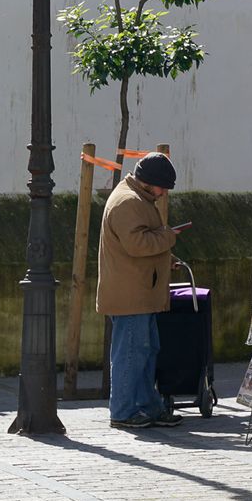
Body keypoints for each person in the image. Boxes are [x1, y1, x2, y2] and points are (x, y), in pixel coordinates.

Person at [97, 151, 188, 429]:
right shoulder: (127, 202)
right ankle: (123, 411)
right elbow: (137, 244)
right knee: (130, 354)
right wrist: (169, 236)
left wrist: (166, 258)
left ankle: (149, 406)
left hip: (139, 292)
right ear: (149, 182)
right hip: (130, 296)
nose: (163, 193)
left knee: (146, 351)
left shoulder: (138, 198)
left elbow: (144, 240)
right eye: (162, 187)